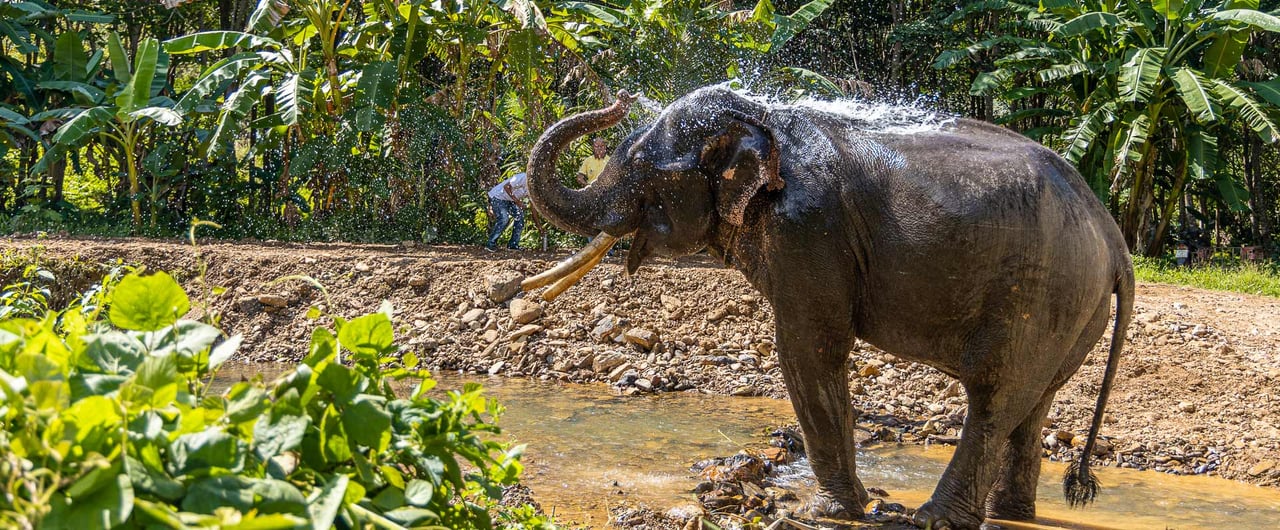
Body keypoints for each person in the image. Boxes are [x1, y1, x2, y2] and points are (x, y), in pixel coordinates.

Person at [486, 172, 528, 251]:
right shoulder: (523, 177)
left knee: (520, 218)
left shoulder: (534, 188)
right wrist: (517, 201)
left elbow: (534, 207)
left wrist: (539, 226)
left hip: (510, 200)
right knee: (504, 219)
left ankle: (513, 244)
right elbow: (507, 186)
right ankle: (490, 243)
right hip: (497, 197)